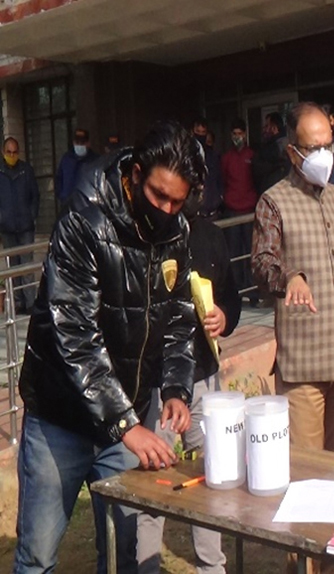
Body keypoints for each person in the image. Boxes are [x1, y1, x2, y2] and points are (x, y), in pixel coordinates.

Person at [13, 121, 205, 574]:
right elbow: (74, 333)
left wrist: (176, 388)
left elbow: (179, 317)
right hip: (60, 418)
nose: (168, 209)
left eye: (179, 201)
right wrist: (126, 425)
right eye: (159, 196)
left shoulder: (176, 229)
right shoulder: (84, 219)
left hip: (128, 415)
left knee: (129, 555)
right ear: (135, 174)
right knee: (38, 555)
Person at [251, 102, 334, 457]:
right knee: (308, 469)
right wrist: (290, 278)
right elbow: (261, 262)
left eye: (328, 145)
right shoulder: (273, 202)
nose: (324, 155)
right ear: (292, 151)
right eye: (313, 148)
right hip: (305, 362)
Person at [137, 197, 241, 574]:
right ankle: (145, 565)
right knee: (154, 479)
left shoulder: (211, 237)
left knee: (210, 477)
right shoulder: (146, 236)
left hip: (203, 379)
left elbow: (232, 294)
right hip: (155, 386)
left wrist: (225, 317)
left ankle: (211, 567)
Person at [221, 118, 259, 306]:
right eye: (234, 134)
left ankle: (252, 292)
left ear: (245, 134)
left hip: (249, 211)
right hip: (232, 211)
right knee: (235, 254)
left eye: (240, 133)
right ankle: (237, 293)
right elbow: (223, 181)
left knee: (250, 253)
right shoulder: (226, 158)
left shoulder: (252, 156)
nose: (237, 137)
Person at [0, 136, 39, 313]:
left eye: (15, 152)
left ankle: (30, 303)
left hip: (25, 226)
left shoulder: (26, 170)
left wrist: (31, 217)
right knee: (13, 268)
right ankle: (17, 302)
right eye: (9, 152)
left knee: (27, 266)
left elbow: (35, 196)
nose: (12, 155)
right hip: (7, 228)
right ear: (3, 152)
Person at [55, 127, 99, 208]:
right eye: (77, 142)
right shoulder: (66, 159)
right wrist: (62, 196)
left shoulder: (95, 160)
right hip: (68, 204)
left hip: (88, 205)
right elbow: (59, 179)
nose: (79, 145)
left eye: (82, 142)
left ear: (88, 143)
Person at [193, 117, 223, 220]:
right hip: (195, 213)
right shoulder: (187, 155)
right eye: (198, 131)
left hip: (213, 211)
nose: (200, 135)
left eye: (203, 132)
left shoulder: (213, 156)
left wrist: (220, 196)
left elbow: (219, 178)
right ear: (192, 132)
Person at [252, 111, 290, 194]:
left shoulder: (277, 147)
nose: (264, 130)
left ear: (274, 128)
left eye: (267, 126)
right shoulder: (272, 145)